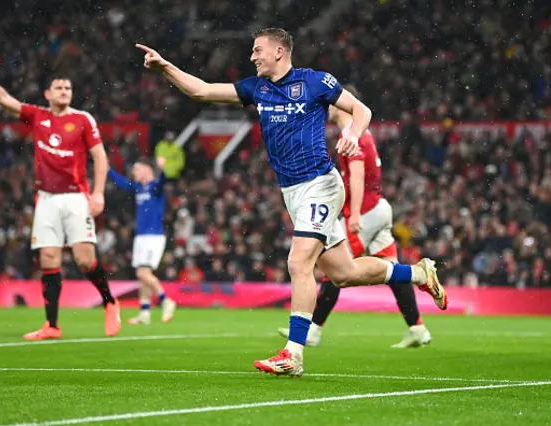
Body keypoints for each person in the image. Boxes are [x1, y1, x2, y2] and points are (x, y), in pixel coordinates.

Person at [135, 28, 448, 377]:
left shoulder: (314, 82)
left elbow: (362, 110)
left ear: (280, 51)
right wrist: (166, 67)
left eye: (258, 50)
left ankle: (293, 354)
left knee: (299, 263)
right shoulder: (258, 89)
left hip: (321, 185)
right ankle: (418, 273)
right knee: (344, 274)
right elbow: (203, 90)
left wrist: (350, 133)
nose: (252, 57)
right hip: (293, 193)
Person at [0, 51, 121, 340]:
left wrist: (98, 194)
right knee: (48, 258)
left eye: (68, 88)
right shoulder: (38, 116)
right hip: (46, 198)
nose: (64, 92)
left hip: (75, 197)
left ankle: (110, 302)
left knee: (85, 261)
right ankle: (52, 326)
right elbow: (4, 100)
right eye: (59, 88)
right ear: (47, 94)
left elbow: (100, 156)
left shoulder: (83, 119)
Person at [278, 85, 432, 349]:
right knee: (393, 270)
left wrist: (355, 214)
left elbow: (357, 174)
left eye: (330, 103)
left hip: (367, 211)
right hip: (379, 207)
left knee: (338, 268)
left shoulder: (353, 134)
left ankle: (313, 329)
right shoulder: (361, 132)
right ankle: (418, 328)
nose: (327, 107)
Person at [108, 157, 177, 324]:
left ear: (147, 169)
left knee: (142, 273)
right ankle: (144, 313)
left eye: (137, 169)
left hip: (153, 237)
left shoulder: (155, 187)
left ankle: (166, 300)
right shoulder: (139, 188)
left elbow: (162, 181)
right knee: (143, 276)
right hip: (141, 237)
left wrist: (162, 169)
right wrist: (107, 169)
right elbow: (122, 183)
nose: (134, 173)